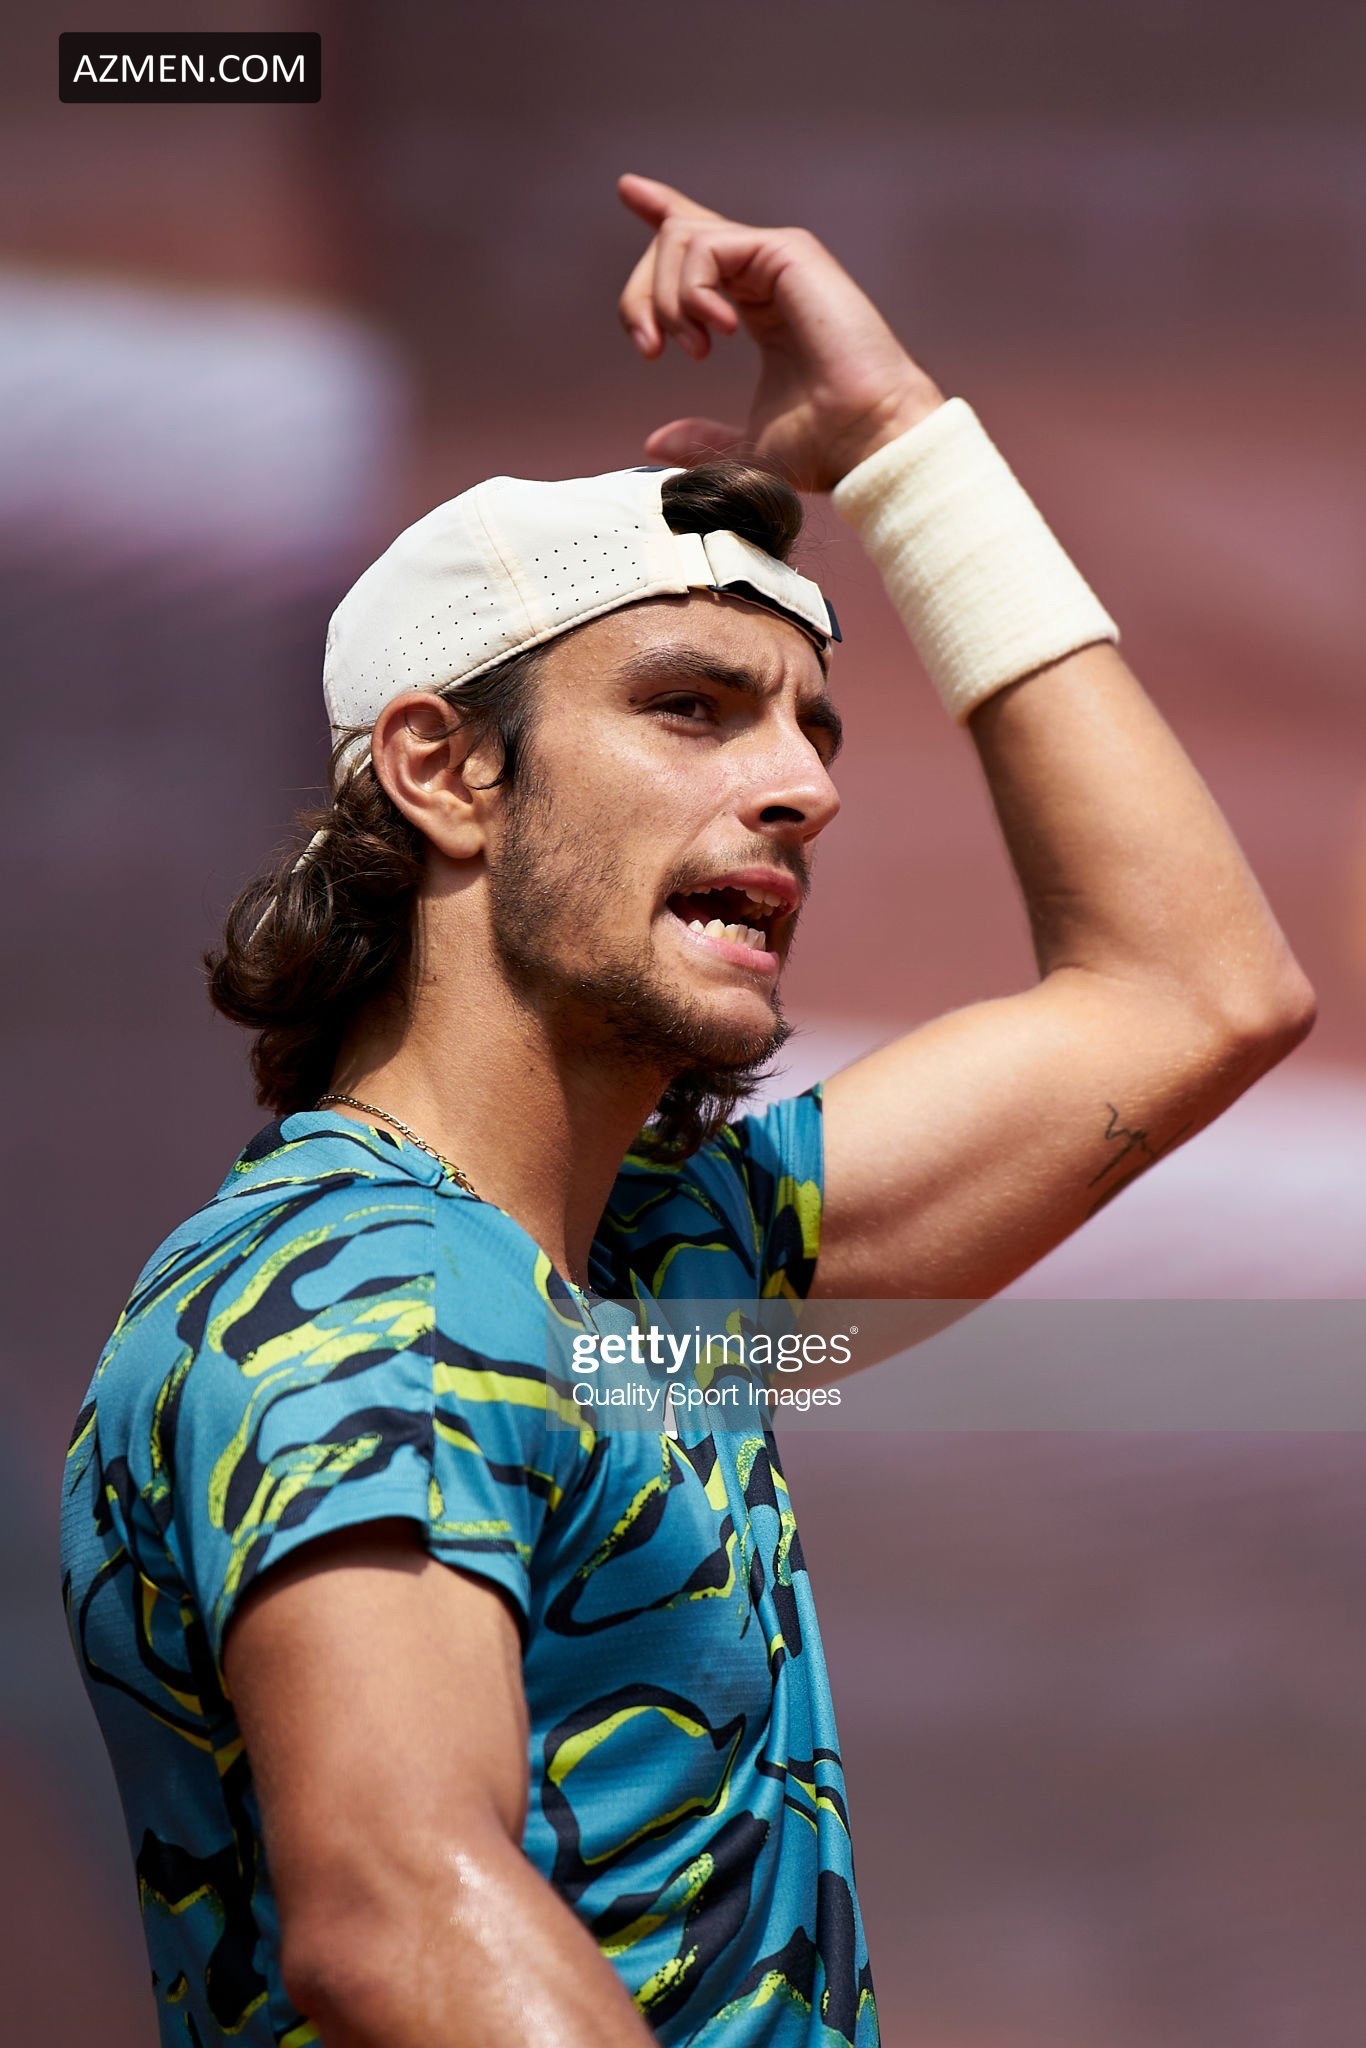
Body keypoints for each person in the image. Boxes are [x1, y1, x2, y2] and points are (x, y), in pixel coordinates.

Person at [60, 173, 1314, 2048]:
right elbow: (398, 1912)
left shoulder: (661, 1278)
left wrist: (899, 451)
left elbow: (1196, 993)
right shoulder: (354, 1296)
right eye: (693, 708)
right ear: (442, 771)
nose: (803, 784)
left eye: (810, 725)